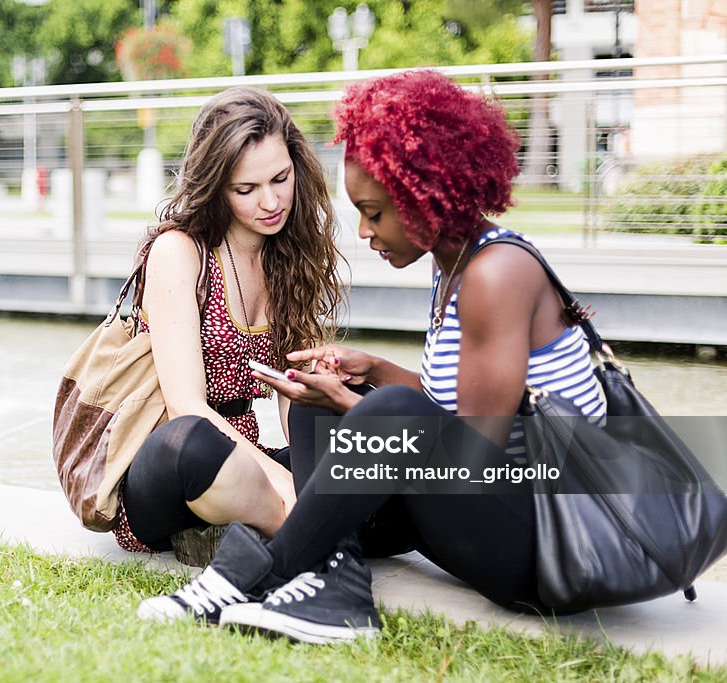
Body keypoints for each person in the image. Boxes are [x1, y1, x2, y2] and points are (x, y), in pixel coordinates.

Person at [137, 71, 607, 643]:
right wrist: (374, 376)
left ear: (424, 197)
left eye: (374, 212)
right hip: (498, 511)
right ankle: (332, 584)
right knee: (324, 407)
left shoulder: (496, 274)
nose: (360, 231)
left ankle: (263, 574)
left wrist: (365, 408)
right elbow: (464, 417)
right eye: (359, 211)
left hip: (558, 546)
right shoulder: (458, 265)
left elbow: (473, 448)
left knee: (378, 410)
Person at [106, 87, 345, 559]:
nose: (271, 201)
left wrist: (317, 457)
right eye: (246, 189)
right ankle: (313, 536)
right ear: (217, 186)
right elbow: (186, 407)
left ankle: (306, 517)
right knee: (192, 442)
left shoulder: (289, 256)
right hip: (174, 466)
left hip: (246, 469)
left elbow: (293, 391)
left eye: (280, 178)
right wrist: (285, 480)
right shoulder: (180, 252)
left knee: (361, 442)